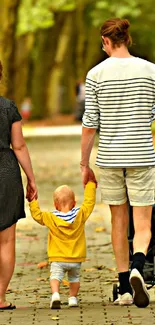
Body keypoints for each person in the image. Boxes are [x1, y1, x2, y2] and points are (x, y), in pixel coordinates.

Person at [80, 17, 155, 308]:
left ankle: (124, 287)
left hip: (110, 158)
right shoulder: (150, 71)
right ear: (128, 39)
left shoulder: (95, 74)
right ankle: (139, 266)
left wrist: (84, 163)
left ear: (106, 42)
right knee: (143, 222)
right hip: (142, 155)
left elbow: (90, 124)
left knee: (118, 221)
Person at [0, 61, 37, 310]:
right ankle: (0, 297)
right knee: (6, 240)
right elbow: (19, 146)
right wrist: (31, 178)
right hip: (5, 173)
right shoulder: (8, 107)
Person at [29, 180, 96, 309]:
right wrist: (90, 186)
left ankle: (55, 294)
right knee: (74, 278)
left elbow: (37, 216)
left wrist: (33, 201)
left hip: (57, 258)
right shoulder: (80, 214)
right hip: (76, 258)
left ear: (55, 205)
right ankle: (73, 298)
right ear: (74, 203)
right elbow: (89, 203)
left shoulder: (51, 217)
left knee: (55, 276)